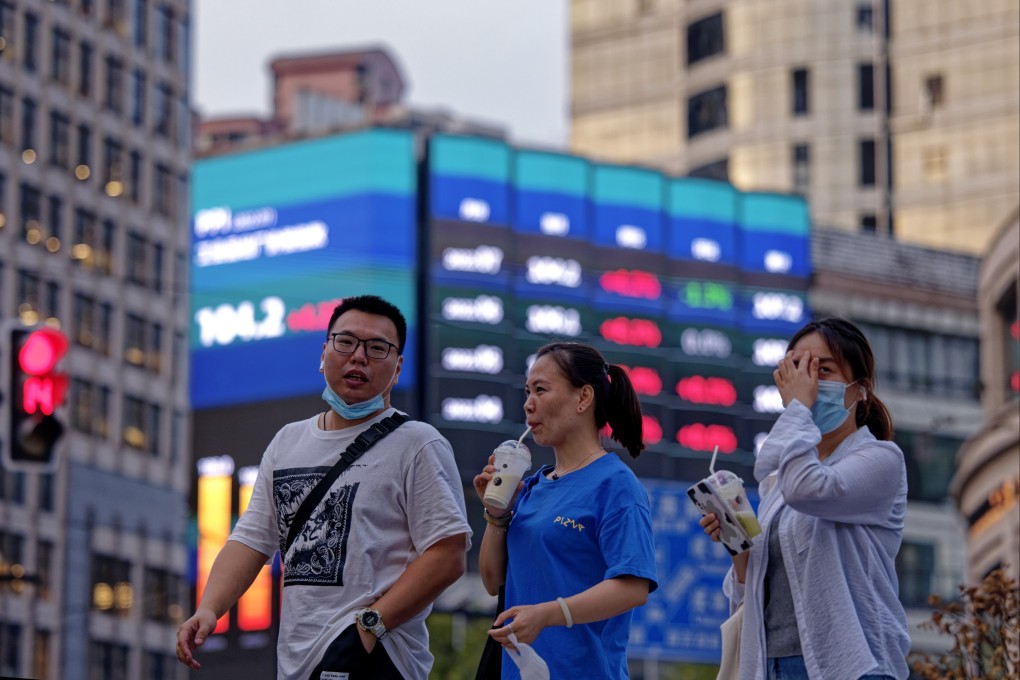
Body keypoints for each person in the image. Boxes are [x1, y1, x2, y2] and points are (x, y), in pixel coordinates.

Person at [176, 295, 472, 680]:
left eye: (377, 348)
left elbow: (447, 554)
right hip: (297, 663)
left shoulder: (418, 443)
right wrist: (209, 609)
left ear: (397, 368)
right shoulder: (288, 441)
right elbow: (250, 540)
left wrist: (368, 627)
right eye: (345, 342)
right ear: (324, 352)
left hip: (379, 658)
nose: (359, 356)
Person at [700, 317, 911, 680]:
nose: (808, 382)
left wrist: (797, 407)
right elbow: (752, 592)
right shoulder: (781, 479)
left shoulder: (882, 459)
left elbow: (809, 490)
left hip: (853, 666)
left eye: (822, 369)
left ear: (860, 388)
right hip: (773, 665)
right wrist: (739, 544)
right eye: (796, 369)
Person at [473, 341, 658, 679]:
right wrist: (497, 514)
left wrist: (548, 614)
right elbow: (492, 580)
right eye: (527, 392)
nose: (529, 404)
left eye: (541, 390)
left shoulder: (617, 485)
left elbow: (633, 587)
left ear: (583, 398)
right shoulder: (531, 486)